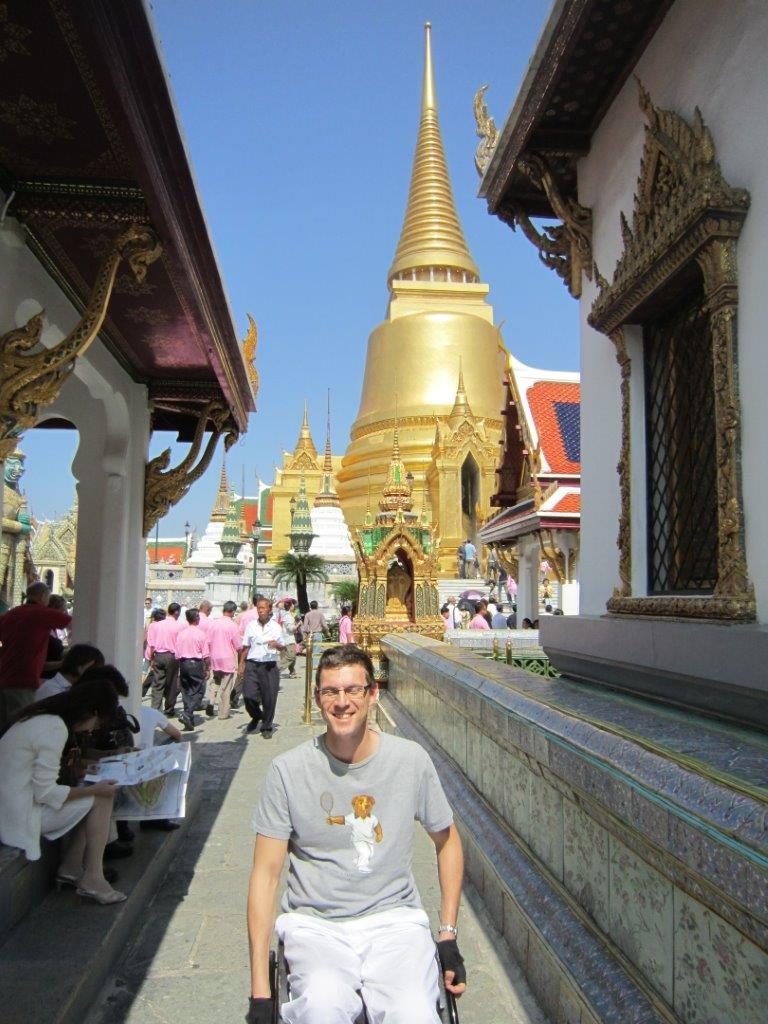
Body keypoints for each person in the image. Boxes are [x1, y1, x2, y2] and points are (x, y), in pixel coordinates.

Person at [246, 645, 467, 1024]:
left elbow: (447, 841)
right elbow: (265, 875)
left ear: (373, 694)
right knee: (320, 1008)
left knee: (414, 1013)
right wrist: (260, 993)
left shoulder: (410, 760)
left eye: (353, 690)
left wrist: (447, 935)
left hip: (394, 922)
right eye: (331, 692)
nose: (342, 702)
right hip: (316, 926)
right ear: (318, 699)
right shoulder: (287, 770)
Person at [0, 679, 126, 904]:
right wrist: (94, 789)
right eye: (96, 724)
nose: (92, 730)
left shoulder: (38, 718)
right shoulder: (54, 728)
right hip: (19, 817)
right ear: (92, 712)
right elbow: (46, 793)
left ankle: (72, 867)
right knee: (101, 797)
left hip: (12, 808)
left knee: (94, 794)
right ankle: (93, 877)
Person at [0, 582, 72, 728]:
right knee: (20, 725)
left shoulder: (11, 614)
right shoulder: (41, 613)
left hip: (4, 674)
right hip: (23, 678)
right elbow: (72, 623)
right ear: (44, 596)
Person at [239, 598, 285, 737]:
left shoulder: (276, 627)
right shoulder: (251, 626)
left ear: (270, 610)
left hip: (269, 665)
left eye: (263, 608)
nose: (260, 610)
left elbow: (283, 646)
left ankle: (266, 726)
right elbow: (246, 646)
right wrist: (241, 664)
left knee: (269, 697)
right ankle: (257, 715)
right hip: (253, 664)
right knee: (248, 696)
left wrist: (276, 645)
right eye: (259, 608)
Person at [205, 600, 243, 720]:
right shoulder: (232, 626)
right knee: (226, 686)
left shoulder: (213, 624)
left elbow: (208, 641)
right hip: (227, 657)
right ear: (232, 612)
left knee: (215, 681)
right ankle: (223, 712)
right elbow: (238, 645)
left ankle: (211, 702)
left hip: (215, 656)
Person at [174, 608, 210, 731]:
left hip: (183, 663)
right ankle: (188, 713)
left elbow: (177, 653)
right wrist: (207, 668)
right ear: (196, 619)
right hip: (196, 663)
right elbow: (206, 654)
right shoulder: (200, 634)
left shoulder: (181, 634)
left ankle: (188, 717)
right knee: (199, 689)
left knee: (186, 690)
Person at [146, 602, 183, 716]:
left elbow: (151, 643)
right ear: (176, 612)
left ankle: (155, 708)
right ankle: (169, 709)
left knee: (157, 683)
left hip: (158, 655)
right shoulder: (179, 626)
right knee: (171, 683)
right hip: (172, 656)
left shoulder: (156, 625)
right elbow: (181, 644)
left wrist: (151, 658)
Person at [35, 643, 105, 701]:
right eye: (94, 669)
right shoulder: (53, 690)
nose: (96, 675)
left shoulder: (73, 688)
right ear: (80, 667)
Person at [280, 600, 299, 678]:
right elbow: (291, 629)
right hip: (289, 639)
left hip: (288, 639)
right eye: (293, 605)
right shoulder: (288, 616)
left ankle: (292, 672)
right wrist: (298, 624)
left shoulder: (287, 615)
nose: (294, 606)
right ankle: (276, 669)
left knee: (292, 657)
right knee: (291, 657)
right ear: (291, 606)